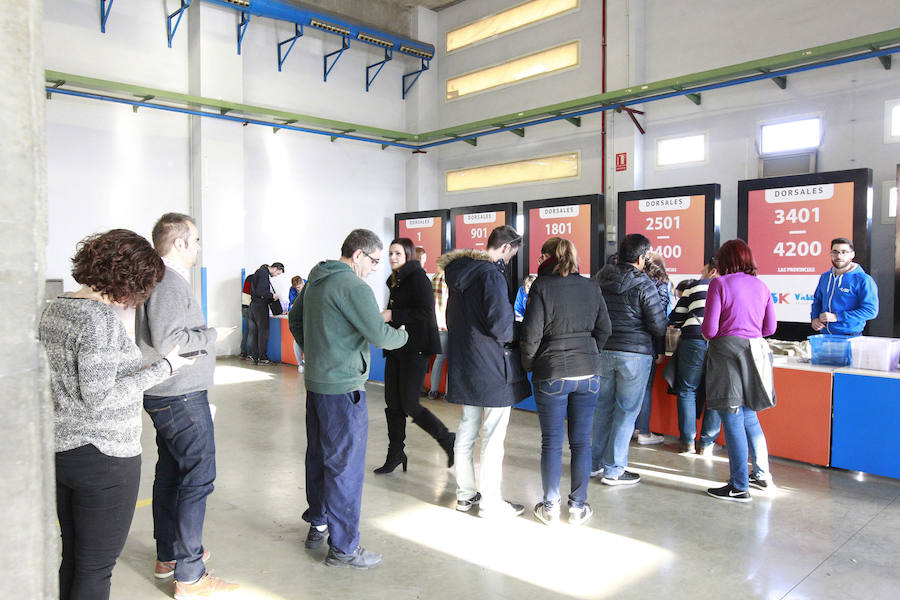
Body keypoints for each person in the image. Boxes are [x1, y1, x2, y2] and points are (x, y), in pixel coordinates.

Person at [40, 229, 192, 600]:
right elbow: (99, 396)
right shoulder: (98, 321)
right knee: (96, 570)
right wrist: (167, 367)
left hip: (63, 450)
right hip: (104, 457)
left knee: (74, 559)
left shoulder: (55, 306)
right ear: (131, 279)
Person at [288, 229, 407, 569]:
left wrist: (315, 349)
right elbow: (379, 335)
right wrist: (404, 335)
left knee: (319, 458)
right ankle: (344, 548)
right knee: (345, 468)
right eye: (372, 261)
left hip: (317, 385)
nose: (374, 269)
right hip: (344, 389)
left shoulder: (316, 277)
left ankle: (319, 524)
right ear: (357, 256)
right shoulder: (354, 287)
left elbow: (296, 320)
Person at [135, 213, 239, 597]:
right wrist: (212, 334)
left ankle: (170, 556)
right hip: (179, 395)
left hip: (171, 393)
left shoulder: (162, 280)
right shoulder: (169, 282)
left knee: (173, 474)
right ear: (178, 243)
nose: (198, 247)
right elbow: (169, 341)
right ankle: (191, 574)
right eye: (195, 240)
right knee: (198, 477)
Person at [438, 225, 531, 518]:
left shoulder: (457, 274)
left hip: (466, 363)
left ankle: (465, 495)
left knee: (467, 431)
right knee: (492, 436)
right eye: (513, 254)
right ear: (505, 248)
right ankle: (491, 502)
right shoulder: (491, 274)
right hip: (492, 367)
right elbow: (501, 325)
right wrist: (515, 332)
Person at [520, 237, 611, 526]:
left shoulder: (542, 286)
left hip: (552, 372)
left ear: (548, 257)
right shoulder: (591, 286)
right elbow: (605, 329)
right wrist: (589, 351)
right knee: (582, 442)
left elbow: (531, 334)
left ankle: (549, 507)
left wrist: (531, 365)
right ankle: (577, 507)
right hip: (589, 372)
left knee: (552, 442)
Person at [702, 239, 777, 502]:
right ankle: (762, 474)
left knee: (732, 418)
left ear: (724, 261)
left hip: (726, 355)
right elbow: (770, 328)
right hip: (755, 353)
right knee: (749, 417)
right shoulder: (762, 285)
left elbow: (709, 330)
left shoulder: (719, 284)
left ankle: (739, 485)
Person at [590, 233, 668, 485]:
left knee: (603, 409)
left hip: (603, 351)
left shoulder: (600, 278)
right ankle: (614, 469)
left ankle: (594, 464)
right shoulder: (645, 284)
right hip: (634, 354)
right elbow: (658, 325)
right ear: (642, 257)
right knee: (626, 412)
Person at [375, 238, 454, 474]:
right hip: (396, 348)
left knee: (409, 404)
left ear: (408, 255)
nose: (393, 257)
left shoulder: (417, 277)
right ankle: (396, 453)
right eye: (390, 253)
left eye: (398, 253)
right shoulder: (395, 280)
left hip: (415, 349)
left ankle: (447, 439)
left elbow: (425, 312)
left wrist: (393, 314)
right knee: (393, 404)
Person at [669, 260, 722, 455]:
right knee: (716, 393)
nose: (701, 275)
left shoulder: (695, 286)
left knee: (687, 391)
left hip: (693, 340)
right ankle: (707, 444)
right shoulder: (729, 286)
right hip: (720, 343)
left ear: (713, 271)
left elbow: (676, 317)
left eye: (703, 272)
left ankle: (687, 442)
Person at [633, 252, 673, 446]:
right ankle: (645, 432)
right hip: (648, 344)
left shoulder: (635, 282)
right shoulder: (661, 286)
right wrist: (660, 348)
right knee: (646, 388)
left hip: (630, 343)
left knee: (632, 389)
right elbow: (659, 320)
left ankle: (633, 428)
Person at [810, 237, 878, 336]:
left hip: (850, 337)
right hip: (825, 336)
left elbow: (870, 311)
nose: (839, 256)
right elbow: (817, 301)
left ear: (852, 254)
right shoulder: (825, 277)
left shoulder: (863, 280)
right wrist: (815, 318)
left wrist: (837, 317)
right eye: (835, 252)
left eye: (844, 252)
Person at [248, 261, 285, 365]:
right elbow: (261, 292)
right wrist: (272, 296)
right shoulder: (264, 274)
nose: (276, 275)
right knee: (263, 332)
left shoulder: (259, 272)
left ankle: (255, 357)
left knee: (255, 332)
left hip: (253, 306)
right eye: (278, 273)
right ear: (275, 268)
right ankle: (263, 358)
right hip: (260, 306)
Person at [428, 264, 449, 400]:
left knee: (439, 359)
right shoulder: (448, 280)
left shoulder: (434, 279)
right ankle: (448, 393)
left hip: (435, 323)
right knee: (452, 360)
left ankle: (433, 391)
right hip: (446, 323)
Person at [289, 276, 306, 373]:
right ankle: (300, 363)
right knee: (297, 341)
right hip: (300, 320)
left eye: (299, 287)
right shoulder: (292, 290)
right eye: (296, 288)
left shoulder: (310, 286)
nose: (298, 289)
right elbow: (291, 302)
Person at [239, 273, 254, 359]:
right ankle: (249, 354)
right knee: (251, 332)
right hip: (250, 307)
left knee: (247, 331)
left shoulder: (248, 278)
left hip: (244, 307)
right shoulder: (255, 279)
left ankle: (243, 352)